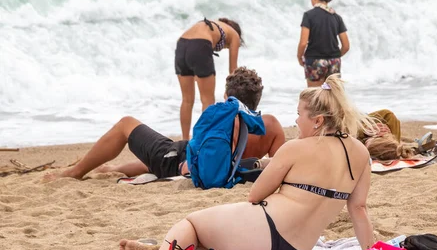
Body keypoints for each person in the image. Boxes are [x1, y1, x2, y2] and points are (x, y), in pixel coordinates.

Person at [116, 74, 376, 250]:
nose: (296, 122)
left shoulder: (296, 148)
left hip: (262, 236)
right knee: (220, 232)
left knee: (193, 222)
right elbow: (359, 211)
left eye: (299, 115)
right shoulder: (361, 155)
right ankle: (158, 249)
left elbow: (255, 195)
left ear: (317, 121)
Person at [44, 67, 284, 181]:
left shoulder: (224, 118)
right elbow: (281, 165)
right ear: (257, 100)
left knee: (126, 125)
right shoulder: (272, 125)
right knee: (153, 159)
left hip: (179, 161)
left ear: (226, 96)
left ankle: (74, 173)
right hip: (186, 156)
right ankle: (108, 170)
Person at [176, 17, 243, 140]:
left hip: (181, 44)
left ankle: (184, 141)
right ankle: (202, 140)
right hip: (200, 45)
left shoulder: (211, 25)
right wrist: (231, 92)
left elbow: (193, 50)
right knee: (208, 100)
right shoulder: (234, 35)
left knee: (187, 100)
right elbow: (233, 70)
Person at [297, 0, 349, 87]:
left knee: (315, 98)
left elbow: (303, 43)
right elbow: (346, 46)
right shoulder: (336, 17)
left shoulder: (309, 16)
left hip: (315, 61)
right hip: (334, 62)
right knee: (333, 99)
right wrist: (334, 56)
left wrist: (299, 57)